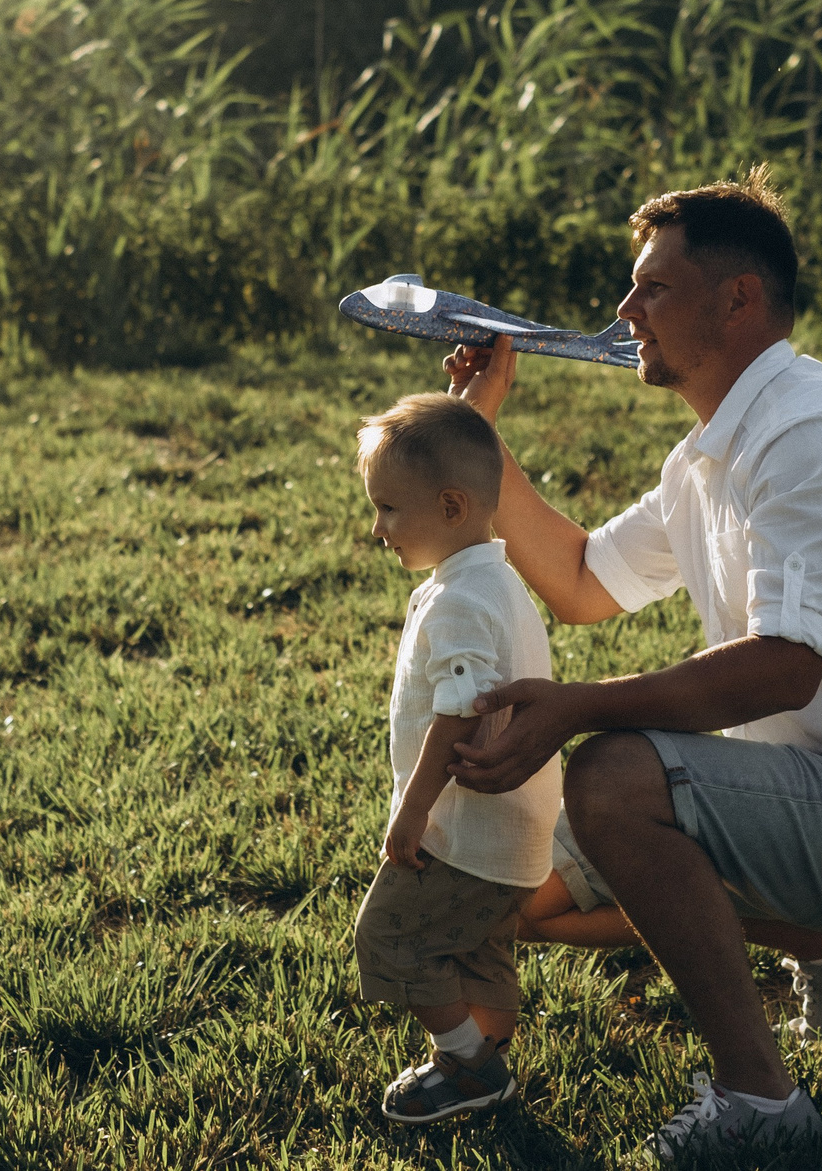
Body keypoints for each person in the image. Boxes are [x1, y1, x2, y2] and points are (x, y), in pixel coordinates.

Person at [442, 171, 822, 1163]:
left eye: (652, 289)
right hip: (805, 803)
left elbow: (785, 669)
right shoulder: (706, 454)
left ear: (738, 298)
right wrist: (480, 436)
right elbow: (581, 582)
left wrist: (576, 708)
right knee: (504, 892)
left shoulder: (809, 434)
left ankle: (760, 1106)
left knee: (615, 779)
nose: (624, 313)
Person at [349, 392, 565, 1124]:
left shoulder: (461, 599)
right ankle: (486, 1050)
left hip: (463, 832)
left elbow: (463, 712)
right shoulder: (493, 580)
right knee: (476, 947)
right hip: (516, 833)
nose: (376, 527)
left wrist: (412, 809)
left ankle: (468, 1065)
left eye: (387, 509)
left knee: (388, 935)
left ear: (450, 505)